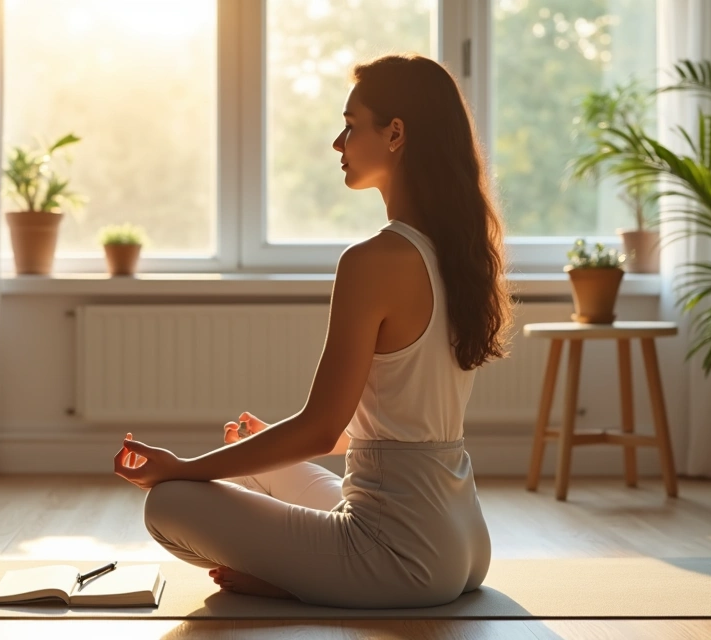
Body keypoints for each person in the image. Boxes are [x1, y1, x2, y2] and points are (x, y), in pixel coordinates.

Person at [112, 53, 513, 609]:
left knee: (170, 502)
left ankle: (299, 581)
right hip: (464, 543)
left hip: (400, 558)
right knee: (260, 467)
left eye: (350, 126)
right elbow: (401, 429)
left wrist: (182, 469)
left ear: (395, 133)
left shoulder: (374, 259)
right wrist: (269, 438)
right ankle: (305, 572)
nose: (337, 143)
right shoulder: (461, 256)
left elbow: (321, 430)